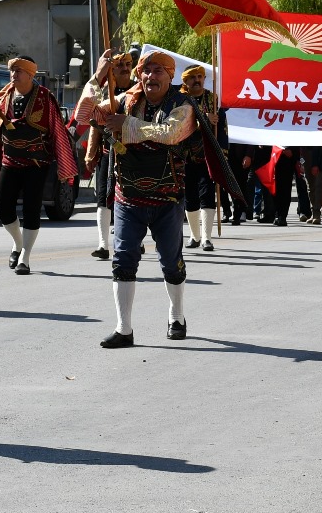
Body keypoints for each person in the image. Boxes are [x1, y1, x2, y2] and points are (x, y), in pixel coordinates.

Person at [75, 49, 238, 348]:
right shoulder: (122, 101)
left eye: (158, 71)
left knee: (171, 262)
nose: (151, 76)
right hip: (129, 198)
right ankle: (124, 329)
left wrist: (125, 125)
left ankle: (176, 315)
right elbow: (83, 116)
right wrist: (98, 77)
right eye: (146, 70)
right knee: (123, 260)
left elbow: (169, 134)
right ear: (139, 74)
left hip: (167, 198)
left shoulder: (183, 106)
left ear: (171, 75)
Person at [0, 55, 78, 276]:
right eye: (12, 70)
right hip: (9, 161)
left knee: (32, 210)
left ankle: (25, 258)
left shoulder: (45, 99)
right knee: (2, 209)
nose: (14, 74)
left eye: (19, 71)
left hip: (36, 163)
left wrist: (64, 166)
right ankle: (17, 243)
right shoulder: (3, 97)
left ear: (31, 74)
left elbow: (58, 133)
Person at [81, 50, 134, 260]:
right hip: (107, 151)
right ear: (112, 69)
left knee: (131, 197)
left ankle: (133, 240)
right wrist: (90, 153)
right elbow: (94, 124)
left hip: (132, 152)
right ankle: (103, 244)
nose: (125, 69)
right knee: (103, 196)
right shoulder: (105, 91)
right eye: (120, 66)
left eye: (128, 65)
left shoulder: (137, 90)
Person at [179, 64, 226, 251]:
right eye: (193, 77)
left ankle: (207, 238)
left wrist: (223, 152)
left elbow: (222, 127)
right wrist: (205, 118)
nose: (197, 80)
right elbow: (181, 123)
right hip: (186, 155)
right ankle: (194, 235)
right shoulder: (181, 100)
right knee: (190, 196)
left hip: (208, 154)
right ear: (185, 81)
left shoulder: (212, 98)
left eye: (200, 76)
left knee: (207, 194)